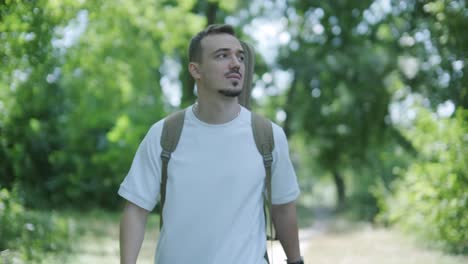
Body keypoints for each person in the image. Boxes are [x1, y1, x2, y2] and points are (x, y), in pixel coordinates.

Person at [118, 24, 303, 264]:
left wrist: (296, 261)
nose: (236, 63)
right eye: (222, 56)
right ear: (196, 70)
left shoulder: (267, 135)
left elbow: (283, 209)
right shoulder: (165, 134)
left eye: (240, 56)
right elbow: (136, 210)